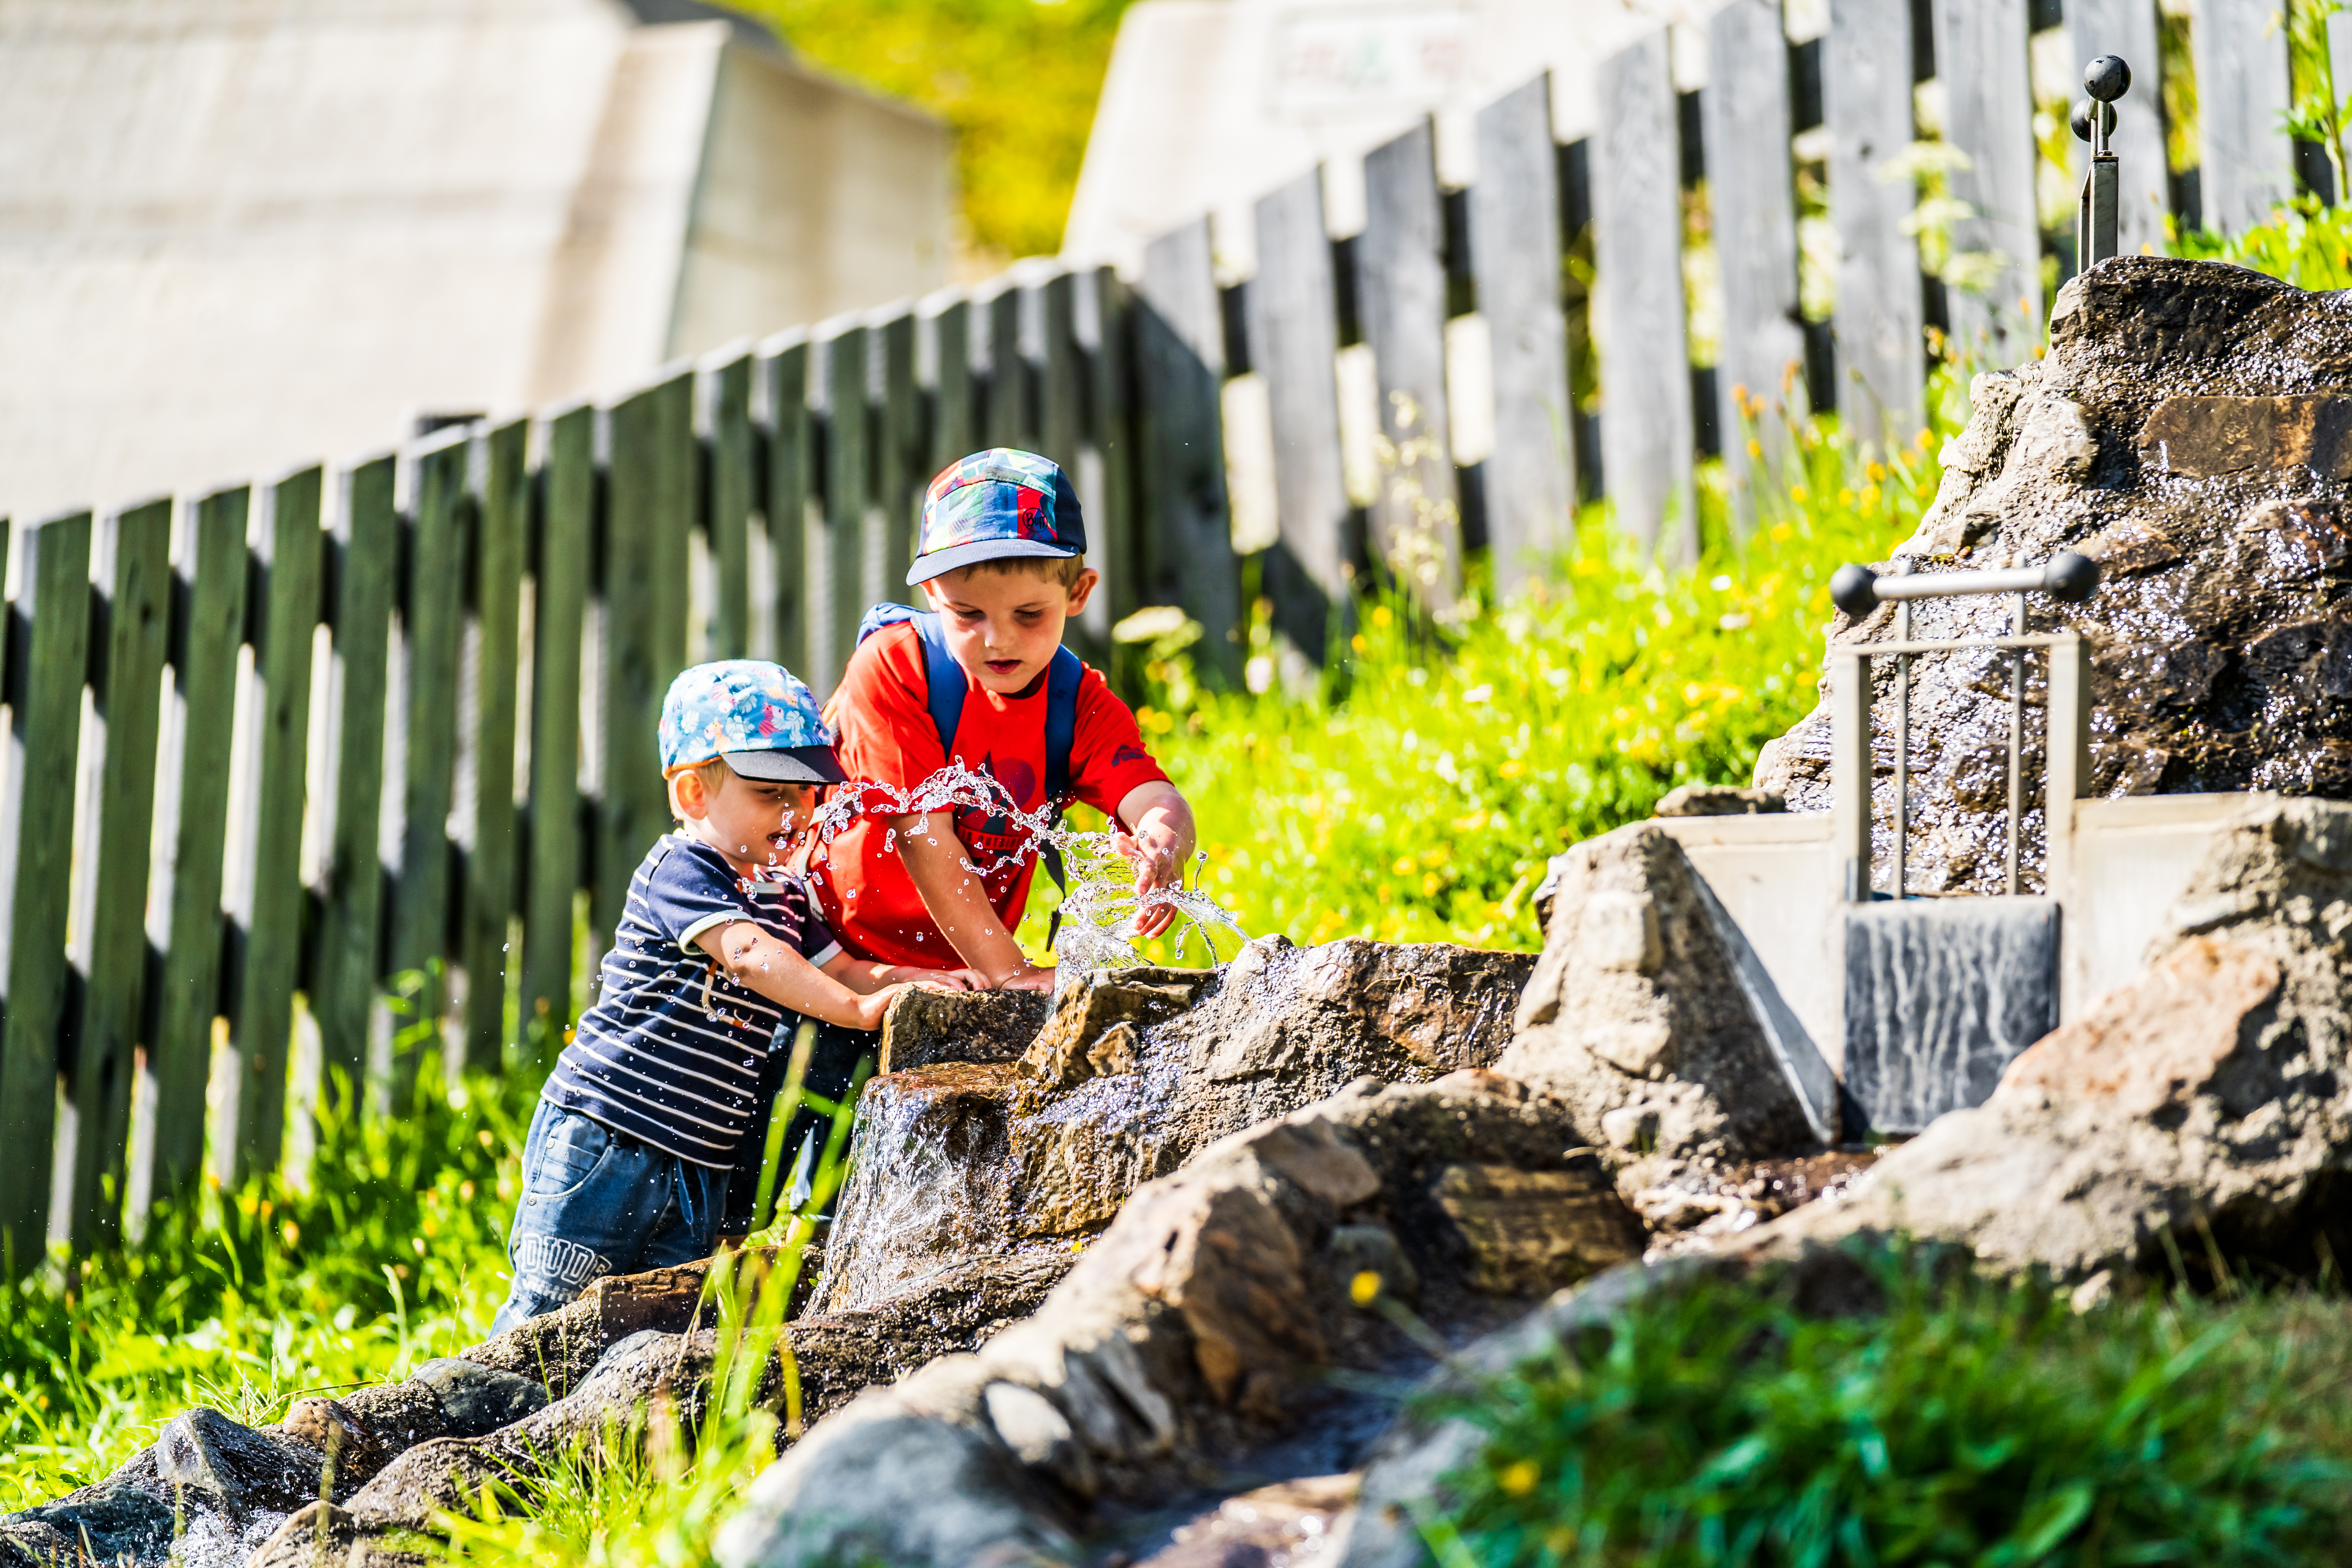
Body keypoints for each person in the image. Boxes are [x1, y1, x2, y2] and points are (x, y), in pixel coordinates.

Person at [492, 661, 974, 1332]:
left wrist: (911, 983)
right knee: (548, 1315)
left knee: (653, 1329)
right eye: (770, 793)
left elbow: (845, 971)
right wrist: (859, 1014)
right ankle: (488, 1417)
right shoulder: (681, 870)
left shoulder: (786, 893)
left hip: (701, 1158)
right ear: (694, 794)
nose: (797, 812)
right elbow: (750, 957)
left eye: (807, 794)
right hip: (612, 1134)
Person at [810, 447, 1198, 992]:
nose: (999, 639)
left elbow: (1152, 796)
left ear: (1078, 592)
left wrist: (1164, 842)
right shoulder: (898, 667)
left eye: (1029, 614)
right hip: (827, 951)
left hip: (962, 967)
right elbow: (921, 834)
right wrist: (1010, 973)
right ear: (931, 595)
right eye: (968, 614)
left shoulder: (1076, 703)